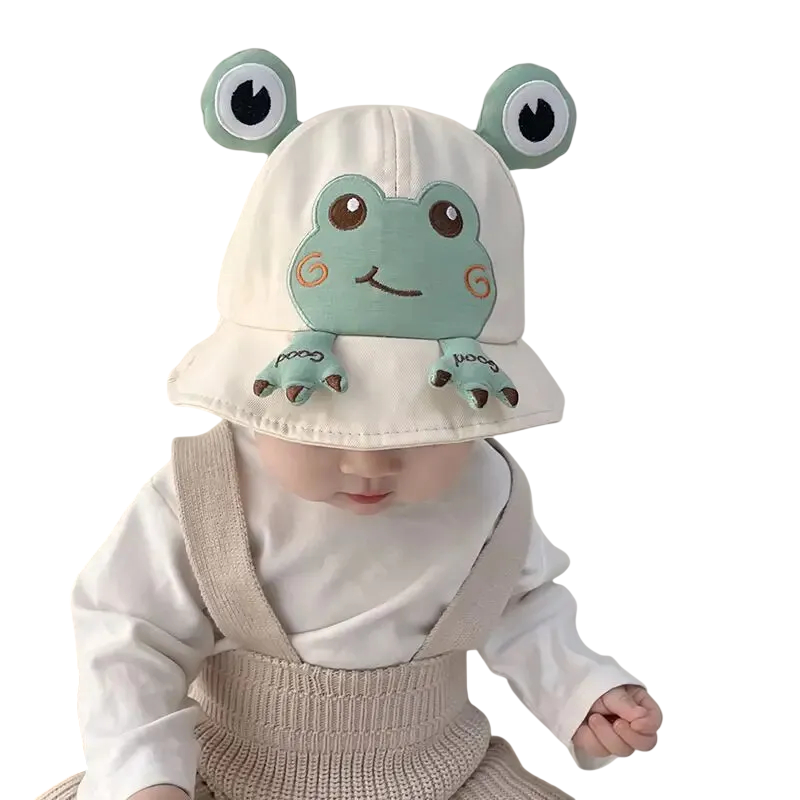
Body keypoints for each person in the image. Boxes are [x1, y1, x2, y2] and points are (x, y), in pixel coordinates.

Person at [37, 48, 662, 800]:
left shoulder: (489, 494)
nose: (369, 463)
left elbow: (520, 607)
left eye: (418, 428)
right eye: (327, 423)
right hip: (222, 774)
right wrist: (144, 778)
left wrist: (583, 690)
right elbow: (127, 633)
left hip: (442, 770)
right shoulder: (202, 498)